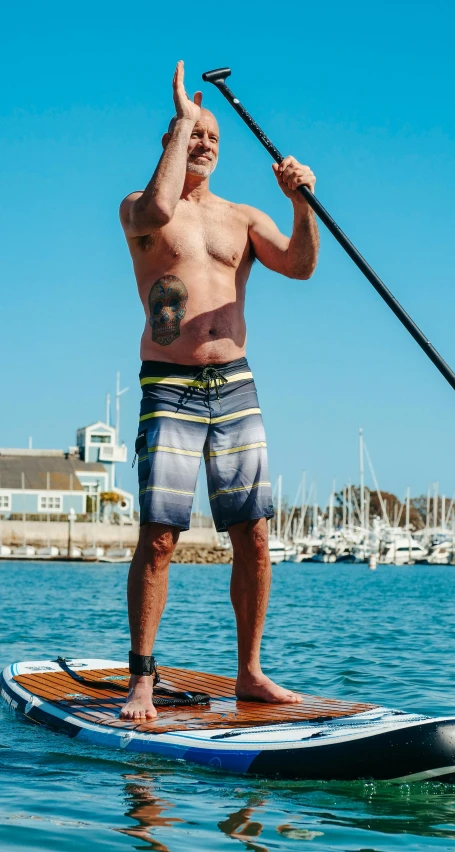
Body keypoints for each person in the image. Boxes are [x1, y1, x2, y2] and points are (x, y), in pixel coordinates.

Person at [119, 60, 320, 721]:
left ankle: (250, 673)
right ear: (171, 141)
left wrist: (300, 201)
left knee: (254, 536)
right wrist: (182, 117)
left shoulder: (241, 217)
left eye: (211, 136)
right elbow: (155, 204)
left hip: (234, 385)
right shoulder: (144, 211)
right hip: (169, 387)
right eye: (192, 134)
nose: (204, 142)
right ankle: (142, 680)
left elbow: (299, 266)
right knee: (159, 537)